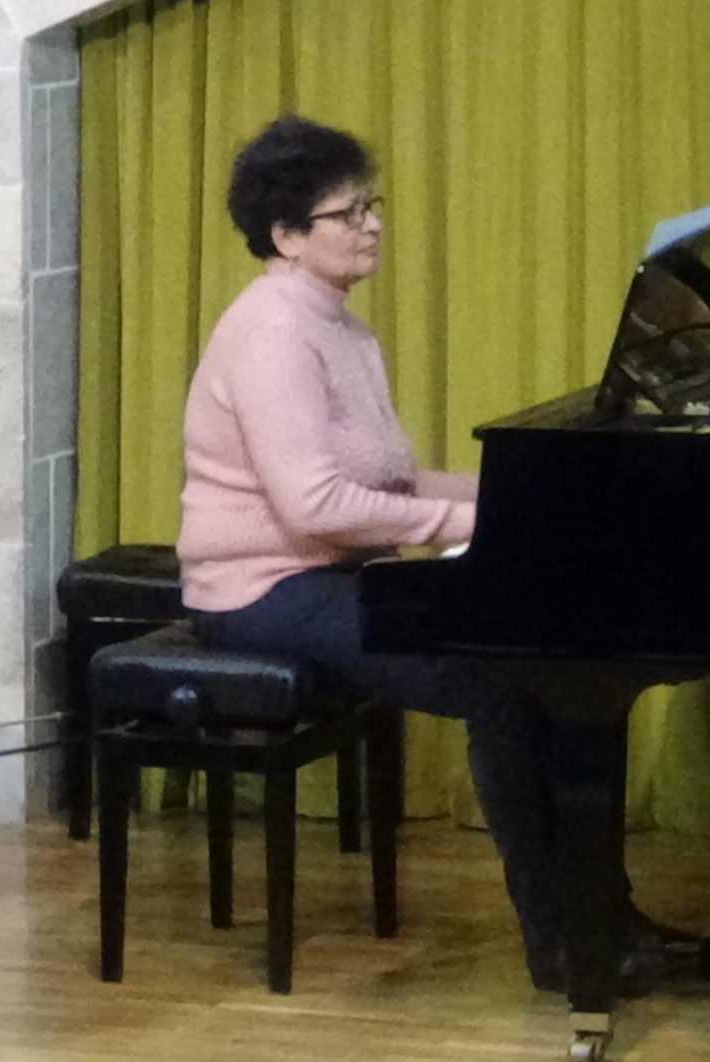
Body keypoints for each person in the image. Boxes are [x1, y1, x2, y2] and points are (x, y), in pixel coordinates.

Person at [175, 115, 682, 994]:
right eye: (348, 213)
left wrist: (533, 497)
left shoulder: (340, 326)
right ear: (287, 236)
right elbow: (314, 506)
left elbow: (395, 480)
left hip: (334, 568)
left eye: (372, 205)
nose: (372, 224)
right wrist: (480, 521)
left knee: (556, 656)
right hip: (261, 590)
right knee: (500, 677)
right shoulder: (273, 334)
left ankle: (606, 915)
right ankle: (561, 941)